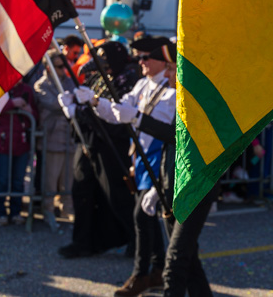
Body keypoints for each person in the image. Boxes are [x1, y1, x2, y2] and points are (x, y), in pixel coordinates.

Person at [76, 36, 176, 297]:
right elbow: (119, 112)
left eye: (146, 57)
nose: (140, 62)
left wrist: (138, 118)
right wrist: (96, 102)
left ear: (164, 62)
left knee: (143, 218)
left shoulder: (174, 90)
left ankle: (143, 274)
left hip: (162, 159)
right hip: (141, 160)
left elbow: (171, 129)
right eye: (139, 57)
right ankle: (157, 270)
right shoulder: (143, 84)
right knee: (148, 219)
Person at [127, 35, 217, 297]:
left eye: (170, 69)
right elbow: (171, 149)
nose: (166, 76)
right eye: (166, 68)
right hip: (174, 186)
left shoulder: (197, 102)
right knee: (190, 263)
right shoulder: (180, 100)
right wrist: (161, 186)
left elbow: (176, 136)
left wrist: (138, 118)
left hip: (196, 187)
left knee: (175, 264)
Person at [56, 41, 136, 260]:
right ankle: (83, 242)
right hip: (89, 142)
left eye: (105, 59)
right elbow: (85, 106)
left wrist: (88, 109)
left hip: (112, 146)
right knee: (82, 192)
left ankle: (138, 241)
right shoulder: (97, 78)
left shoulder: (128, 81)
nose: (101, 64)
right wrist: (72, 108)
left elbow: (119, 117)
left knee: (117, 195)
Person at [34, 52, 77, 231]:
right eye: (59, 66)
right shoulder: (41, 85)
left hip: (70, 138)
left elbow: (76, 101)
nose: (63, 70)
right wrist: (70, 104)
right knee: (50, 179)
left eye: (64, 66)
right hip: (52, 138)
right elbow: (55, 104)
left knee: (69, 179)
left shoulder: (68, 81)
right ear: (49, 67)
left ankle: (68, 208)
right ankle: (48, 209)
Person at [0, 78, 37, 226]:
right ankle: (0, 212)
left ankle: (16, 212)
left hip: (21, 142)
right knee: (2, 179)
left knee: (18, 181)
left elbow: (35, 116)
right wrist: (12, 104)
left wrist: (29, 111)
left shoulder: (27, 90)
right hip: (2, 141)